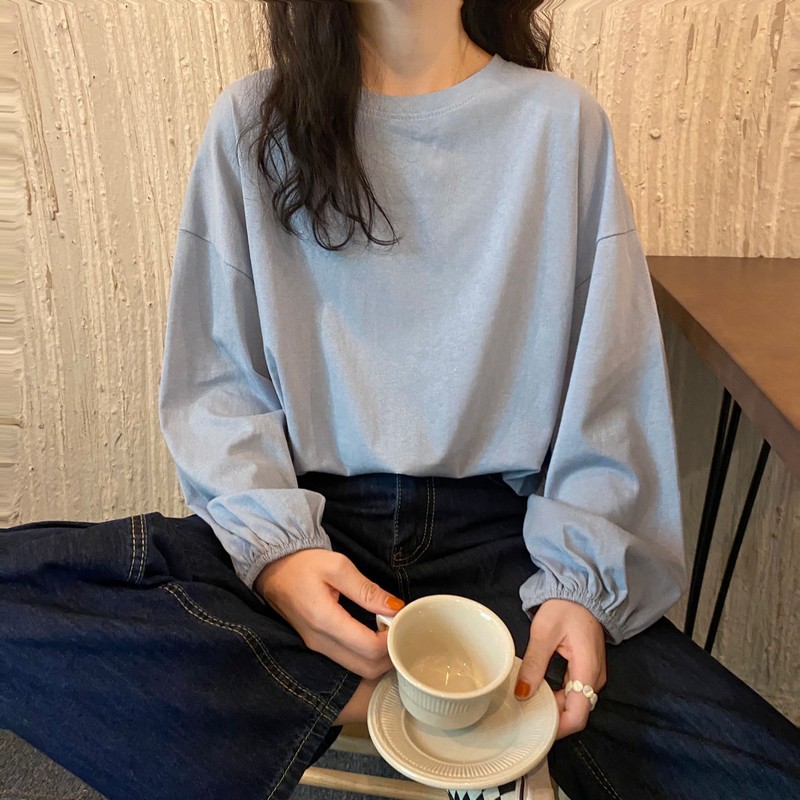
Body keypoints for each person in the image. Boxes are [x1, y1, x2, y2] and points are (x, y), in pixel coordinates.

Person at [2, 1, 799, 799]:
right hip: (310, 530)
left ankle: (370, 702)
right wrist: (278, 559)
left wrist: (579, 595)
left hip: (509, 554)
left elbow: (609, 399)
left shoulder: (563, 126)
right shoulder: (252, 124)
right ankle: (412, 706)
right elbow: (219, 385)